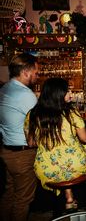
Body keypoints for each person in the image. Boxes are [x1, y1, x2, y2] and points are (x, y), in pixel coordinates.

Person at [24, 78, 86, 210]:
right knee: (70, 160)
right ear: (58, 94)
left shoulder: (32, 115)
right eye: (67, 91)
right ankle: (70, 198)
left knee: (59, 165)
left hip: (47, 170)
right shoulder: (71, 113)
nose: (71, 94)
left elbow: (31, 143)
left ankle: (69, 197)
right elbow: (85, 139)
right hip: (75, 166)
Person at [0, 53, 39, 221]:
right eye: (36, 72)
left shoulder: (4, 89)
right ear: (25, 72)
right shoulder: (26, 95)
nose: (38, 76)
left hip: (6, 151)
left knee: (9, 194)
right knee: (22, 200)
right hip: (23, 154)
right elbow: (39, 124)